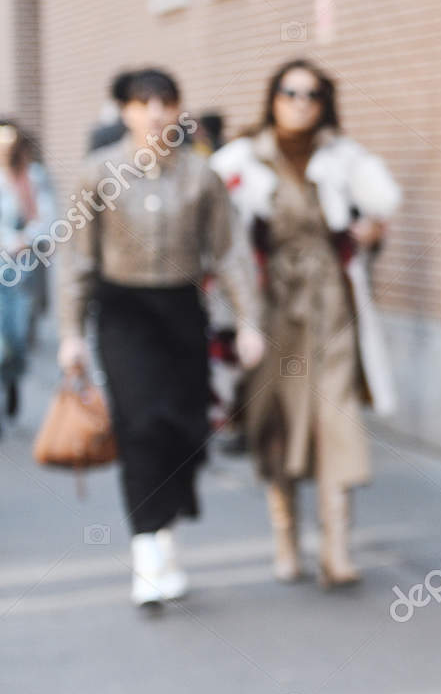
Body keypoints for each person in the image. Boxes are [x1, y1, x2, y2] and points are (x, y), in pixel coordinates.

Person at [56, 69, 265, 607]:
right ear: (123, 110)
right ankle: (147, 549)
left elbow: (231, 252)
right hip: (123, 310)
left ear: (177, 110)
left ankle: (164, 530)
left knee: (184, 427)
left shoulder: (202, 177)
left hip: (181, 308)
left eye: (164, 102)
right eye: (141, 102)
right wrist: (70, 334)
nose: (154, 112)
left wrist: (248, 322)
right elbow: (78, 261)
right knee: (142, 422)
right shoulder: (96, 174)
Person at [212, 59, 402, 587]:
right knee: (276, 421)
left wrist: (367, 230)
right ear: (271, 97)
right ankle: (285, 539)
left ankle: (336, 550)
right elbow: (216, 235)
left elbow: (383, 203)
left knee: (336, 420)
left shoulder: (342, 157)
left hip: (331, 307)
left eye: (312, 94)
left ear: (325, 103)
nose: (300, 102)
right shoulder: (241, 160)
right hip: (269, 309)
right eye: (289, 92)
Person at [0, 119, 56, 430]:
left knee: (17, 337)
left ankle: (11, 381)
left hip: (20, 271)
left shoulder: (32, 178)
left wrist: (24, 240)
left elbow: (46, 220)